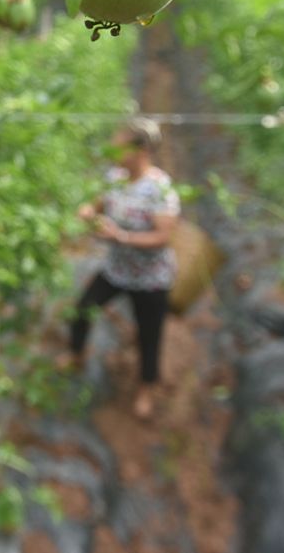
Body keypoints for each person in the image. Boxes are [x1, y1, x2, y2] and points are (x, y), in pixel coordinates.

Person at [67, 118, 180, 420]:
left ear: (140, 150)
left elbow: (163, 237)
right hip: (117, 270)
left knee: (149, 336)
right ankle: (75, 355)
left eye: (119, 147)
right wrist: (89, 212)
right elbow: (98, 204)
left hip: (150, 278)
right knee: (83, 309)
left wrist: (120, 236)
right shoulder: (115, 177)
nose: (113, 152)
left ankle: (146, 388)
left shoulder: (159, 191)